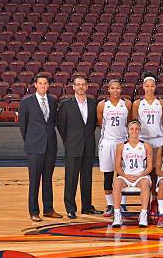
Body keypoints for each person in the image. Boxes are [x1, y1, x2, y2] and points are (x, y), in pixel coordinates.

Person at [57, 74, 101, 219]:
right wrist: (69, 141)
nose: (81, 87)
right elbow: (61, 127)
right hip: (73, 146)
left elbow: (94, 124)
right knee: (71, 179)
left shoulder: (93, 103)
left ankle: (87, 207)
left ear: (87, 86)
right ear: (73, 87)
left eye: (83, 84)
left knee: (87, 179)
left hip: (88, 146)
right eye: (78, 84)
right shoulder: (65, 104)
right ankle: (70, 208)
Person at [18, 73, 62, 222]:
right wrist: (30, 142)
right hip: (34, 147)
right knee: (34, 180)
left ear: (48, 86)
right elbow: (22, 126)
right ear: (35, 85)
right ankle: (34, 211)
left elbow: (53, 122)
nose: (43, 86)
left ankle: (48, 209)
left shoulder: (53, 100)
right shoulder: (26, 102)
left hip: (50, 146)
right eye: (40, 83)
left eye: (45, 83)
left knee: (48, 179)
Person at [97, 80, 132, 217]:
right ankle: (110, 204)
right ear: (109, 90)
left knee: (122, 174)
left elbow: (129, 122)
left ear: (121, 90)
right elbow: (101, 123)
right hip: (107, 142)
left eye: (118, 88)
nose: (115, 90)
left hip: (122, 141)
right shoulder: (102, 105)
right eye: (113, 88)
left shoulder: (127, 104)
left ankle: (122, 203)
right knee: (108, 174)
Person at [111, 120, 153, 228]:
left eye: (137, 129)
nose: (134, 131)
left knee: (145, 184)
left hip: (141, 176)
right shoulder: (121, 146)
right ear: (128, 131)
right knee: (116, 183)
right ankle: (117, 214)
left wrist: (140, 175)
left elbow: (149, 166)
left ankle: (143, 214)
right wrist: (125, 176)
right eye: (132, 129)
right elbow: (118, 167)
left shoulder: (146, 145)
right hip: (126, 176)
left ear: (140, 131)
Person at [133, 74, 163, 150]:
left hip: (158, 137)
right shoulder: (137, 103)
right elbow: (135, 122)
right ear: (143, 86)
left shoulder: (161, 102)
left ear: (155, 87)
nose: (150, 88)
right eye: (147, 86)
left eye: (152, 86)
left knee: (157, 161)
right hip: (142, 138)